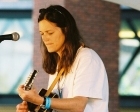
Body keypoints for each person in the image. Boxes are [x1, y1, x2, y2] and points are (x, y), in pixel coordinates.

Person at [16, 5, 109, 112]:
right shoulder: (58, 64)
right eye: (42, 34)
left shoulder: (87, 57)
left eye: (50, 33)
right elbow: (57, 106)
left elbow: (79, 105)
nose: (45, 38)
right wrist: (32, 107)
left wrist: (40, 100)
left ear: (66, 30)